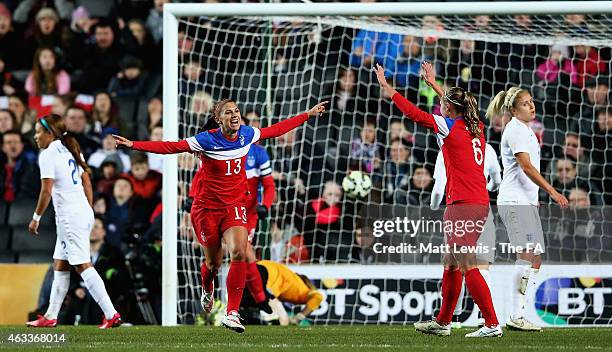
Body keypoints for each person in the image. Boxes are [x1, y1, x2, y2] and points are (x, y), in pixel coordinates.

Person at [113, 99, 327, 333]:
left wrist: (307, 114)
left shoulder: (247, 134)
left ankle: (232, 313)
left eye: (236, 111)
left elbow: (276, 129)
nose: (235, 115)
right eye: (229, 112)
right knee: (213, 263)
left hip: (235, 207)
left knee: (239, 252)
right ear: (218, 119)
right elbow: (171, 147)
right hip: (206, 210)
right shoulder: (206, 140)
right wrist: (133, 144)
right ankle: (208, 287)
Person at [375, 62, 501, 337]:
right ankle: (444, 322)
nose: (440, 107)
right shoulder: (476, 126)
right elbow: (457, 104)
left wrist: (388, 89)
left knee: (466, 263)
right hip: (476, 201)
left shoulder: (448, 127)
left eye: (443, 104)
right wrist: (433, 83)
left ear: (448, 109)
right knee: (451, 261)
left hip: (464, 204)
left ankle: (492, 323)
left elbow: (414, 114)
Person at [26, 114, 122, 328]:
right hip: (80, 212)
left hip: (69, 216)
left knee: (82, 265)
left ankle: (111, 313)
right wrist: (88, 208)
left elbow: (46, 190)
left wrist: (36, 218)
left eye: (38, 132)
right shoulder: (69, 147)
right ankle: (50, 315)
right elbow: (86, 178)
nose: (36, 136)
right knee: (60, 264)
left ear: (50, 133)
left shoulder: (48, 154)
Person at [486, 87, 569, 331]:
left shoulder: (526, 130)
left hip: (526, 201)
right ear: (513, 110)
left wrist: (535, 197)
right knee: (525, 254)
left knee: (535, 259)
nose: (531, 106)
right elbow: (526, 167)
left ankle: (519, 312)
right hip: (514, 200)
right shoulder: (514, 130)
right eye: (525, 103)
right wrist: (552, 191)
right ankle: (515, 315)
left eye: (531, 101)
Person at [241, 260, 324, 326]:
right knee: (284, 320)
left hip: (255, 269)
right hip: (267, 276)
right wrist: (299, 317)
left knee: (247, 303)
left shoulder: (292, 280)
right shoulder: (303, 290)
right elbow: (318, 297)